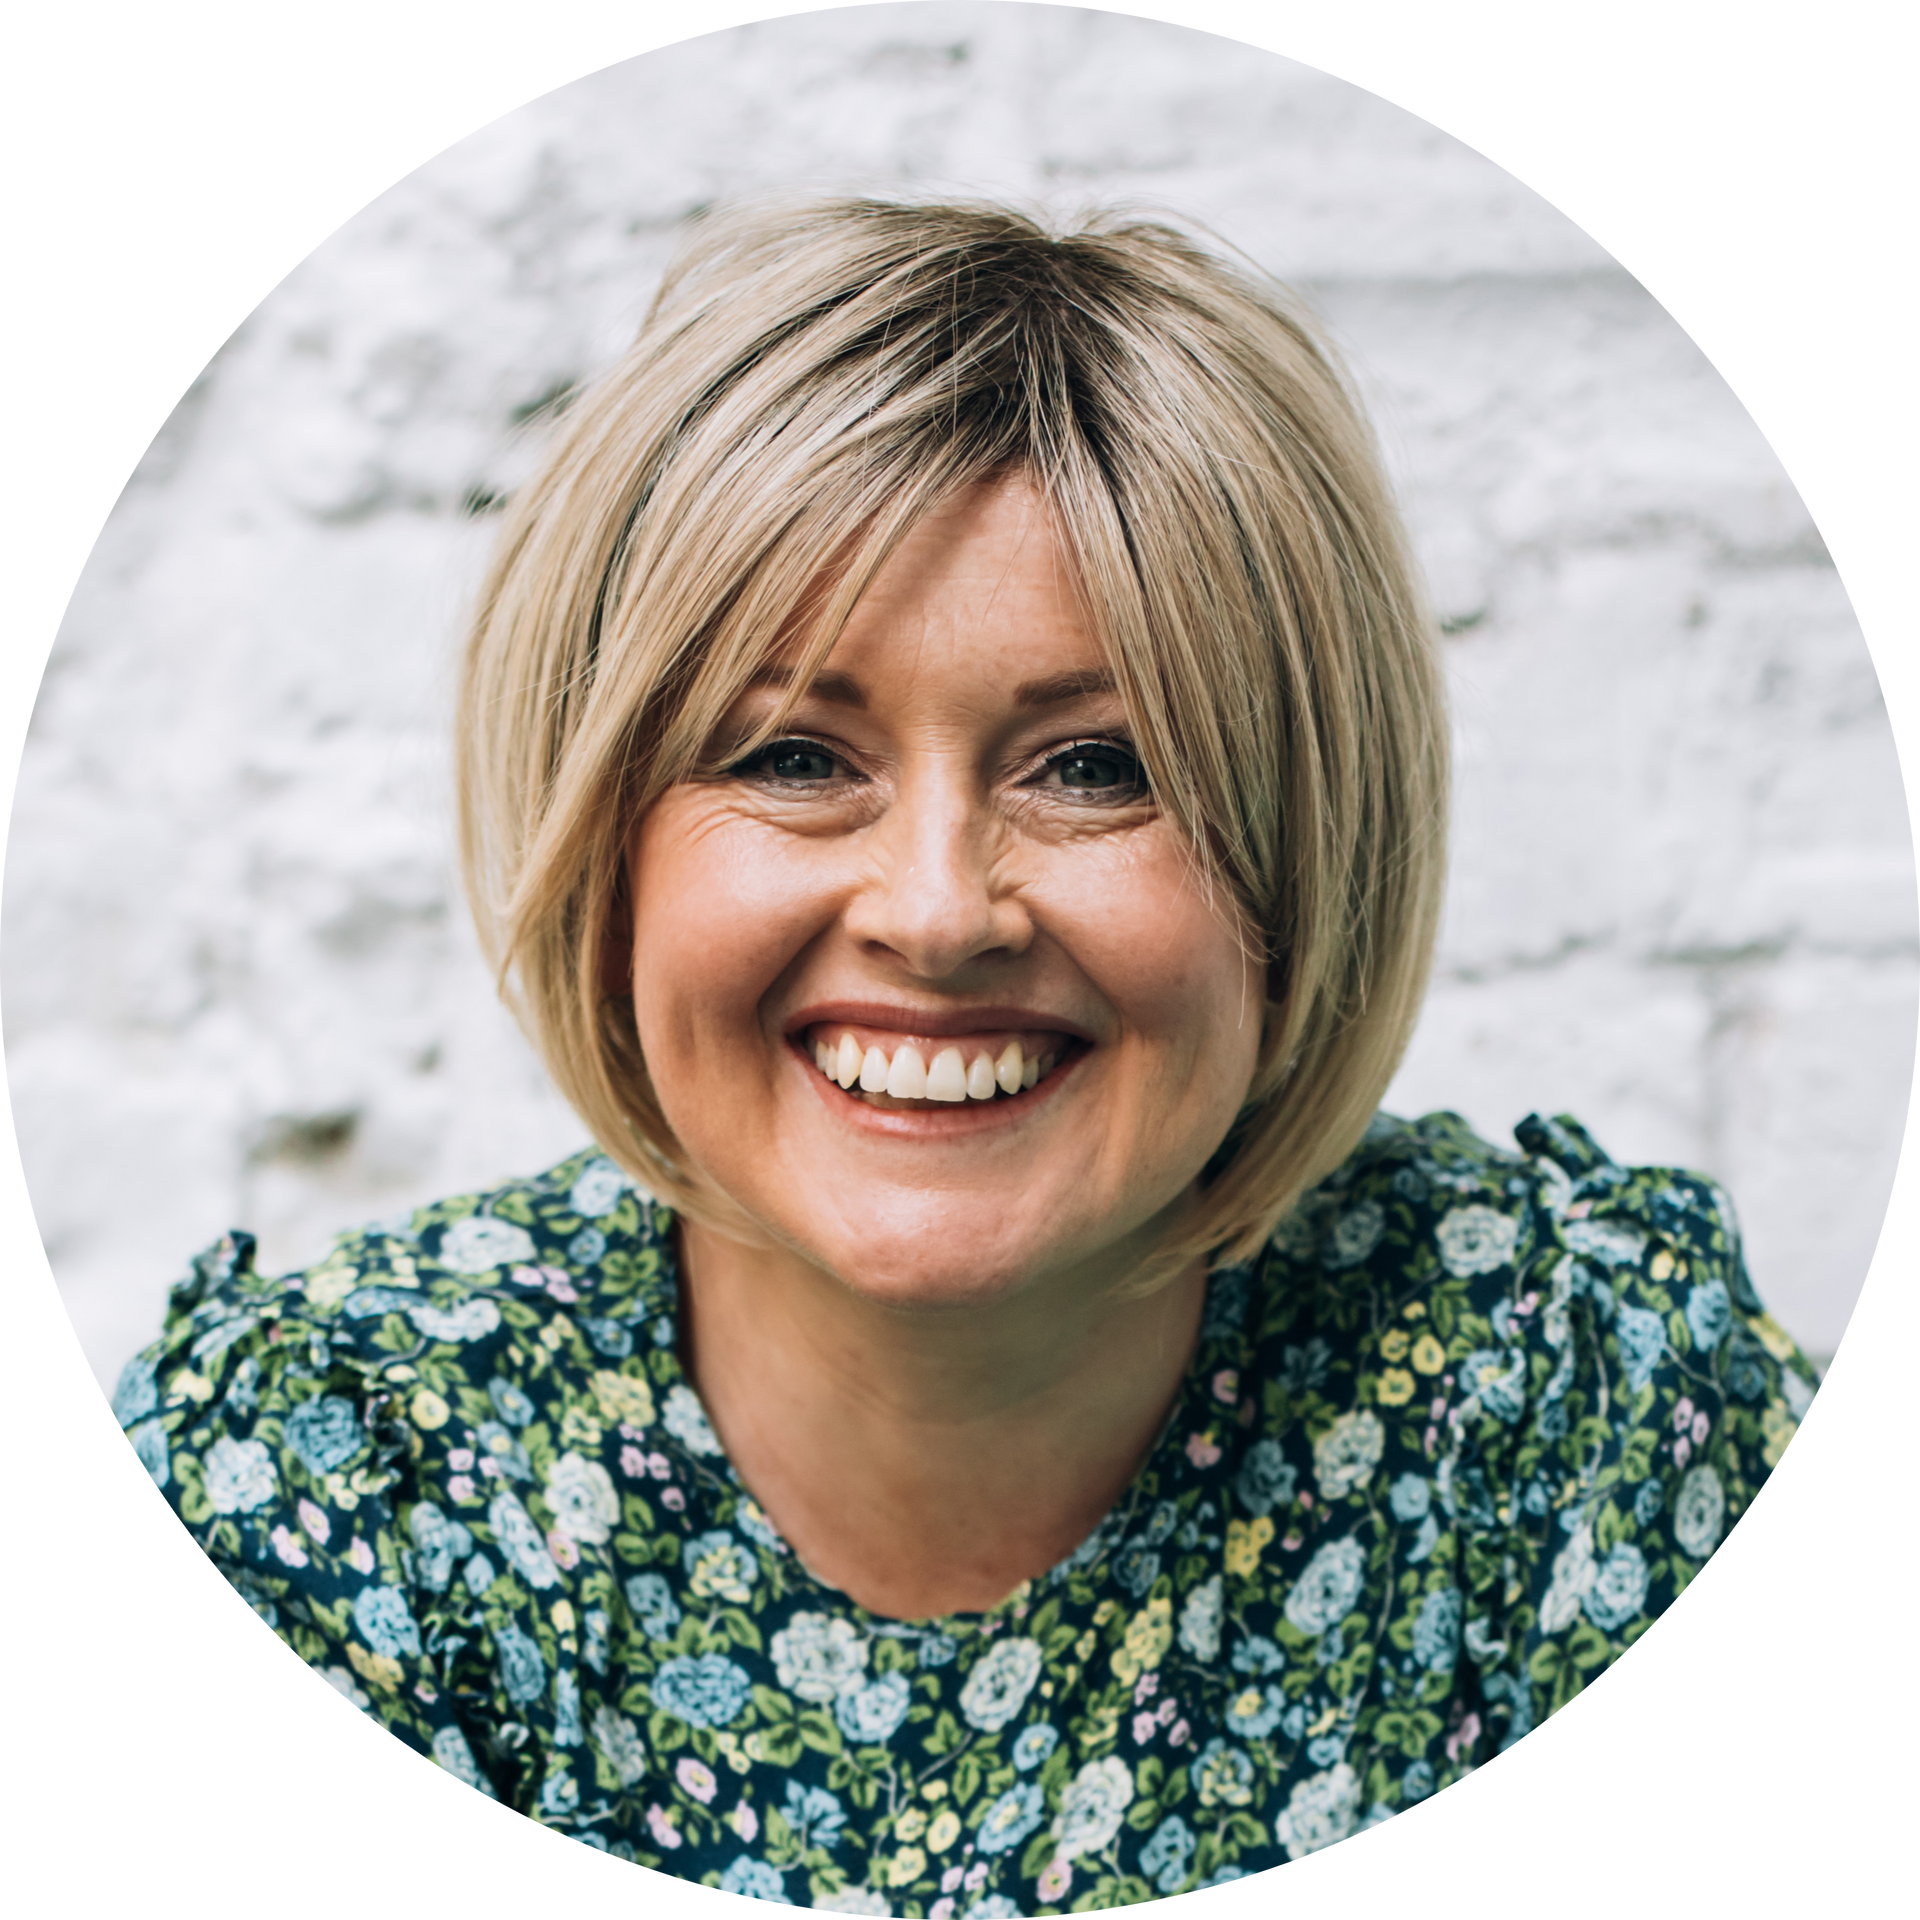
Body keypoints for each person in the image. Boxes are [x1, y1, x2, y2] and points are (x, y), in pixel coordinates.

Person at [111, 199, 1820, 1903]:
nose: (938, 913)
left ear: (1305, 850)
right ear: (604, 838)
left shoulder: (1585, 1416)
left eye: (1093, 767)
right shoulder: (338, 1482)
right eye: (790, 756)